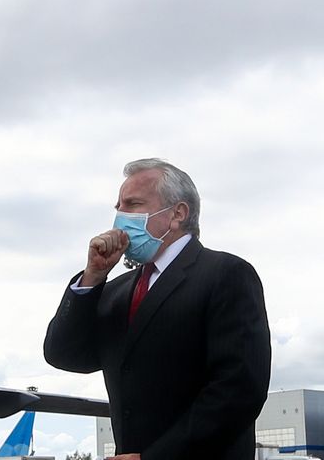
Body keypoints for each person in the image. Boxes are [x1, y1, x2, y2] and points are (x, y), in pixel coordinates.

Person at [43, 159, 271, 460]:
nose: (120, 217)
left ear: (177, 214)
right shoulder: (116, 290)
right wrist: (92, 278)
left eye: (133, 204)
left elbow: (239, 390)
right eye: (118, 207)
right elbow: (64, 354)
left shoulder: (226, 274)